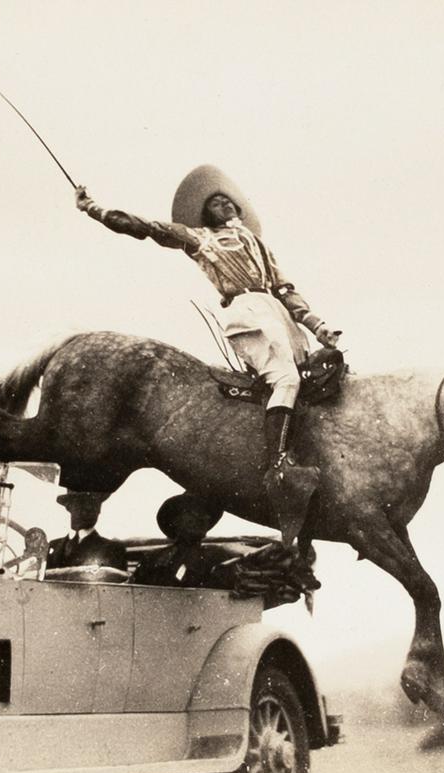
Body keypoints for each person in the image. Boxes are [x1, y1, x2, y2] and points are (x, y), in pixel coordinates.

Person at [75, 165, 338, 536]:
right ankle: (278, 463)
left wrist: (317, 325)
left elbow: (285, 287)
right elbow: (147, 228)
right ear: (206, 214)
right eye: (215, 203)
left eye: (227, 200)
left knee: (317, 379)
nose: (223, 205)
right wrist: (95, 209)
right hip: (246, 312)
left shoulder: (257, 244)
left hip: (279, 316)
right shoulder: (200, 239)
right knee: (286, 379)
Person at [130, 493, 232, 588]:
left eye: (205, 513)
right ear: (175, 520)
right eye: (193, 512)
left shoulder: (217, 556)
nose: (203, 517)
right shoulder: (152, 557)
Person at [46, 492, 127, 571]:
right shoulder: (53, 546)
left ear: (99, 510)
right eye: (81, 503)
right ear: (69, 507)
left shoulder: (114, 550)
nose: (88, 509)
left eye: (95, 504)